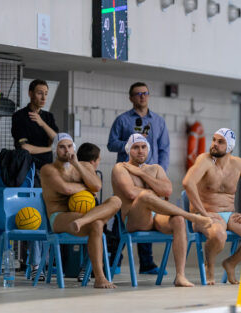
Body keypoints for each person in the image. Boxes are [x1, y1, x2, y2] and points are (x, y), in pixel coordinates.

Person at [111, 134, 212, 287]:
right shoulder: (120, 168)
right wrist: (152, 192)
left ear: (148, 149)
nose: (140, 151)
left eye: (143, 147)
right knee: (144, 196)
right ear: (128, 150)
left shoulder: (156, 168)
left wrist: (141, 173)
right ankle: (191, 216)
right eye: (135, 147)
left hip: (156, 218)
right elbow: (131, 193)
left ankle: (180, 276)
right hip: (134, 220)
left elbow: (167, 191)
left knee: (178, 220)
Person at [182, 128, 241, 285]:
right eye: (214, 140)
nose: (214, 144)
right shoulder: (204, 160)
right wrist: (203, 213)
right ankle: (209, 266)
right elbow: (187, 183)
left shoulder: (237, 164)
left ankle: (231, 263)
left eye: (220, 142)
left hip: (229, 215)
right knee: (219, 235)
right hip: (205, 214)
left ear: (229, 147)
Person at [41, 133, 121, 288]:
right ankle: (100, 278)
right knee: (97, 224)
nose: (66, 150)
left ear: (74, 148)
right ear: (55, 150)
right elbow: (66, 189)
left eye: (69, 146)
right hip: (59, 217)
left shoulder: (84, 166)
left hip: (81, 218)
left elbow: (97, 186)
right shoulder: (48, 169)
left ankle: (84, 221)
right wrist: (86, 187)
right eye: (62, 147)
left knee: (116, 200)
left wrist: (77, 164)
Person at [107, 82, 169, 274]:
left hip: (151, 175)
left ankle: (147, 263)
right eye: (137, 94)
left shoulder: (158, 121)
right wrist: (132, 142)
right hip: (128, 173)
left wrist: (160, 175)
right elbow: (111, 144)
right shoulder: (123, 120)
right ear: (131, 97)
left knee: (149, 216)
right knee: (122, 218)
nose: (142, 96)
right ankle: (115, 260)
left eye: (145, 93)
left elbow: (163, 149)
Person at [11, 79, 59, 281]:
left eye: (46, 93)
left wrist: (41, 123)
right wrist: (49, 149)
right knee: (34, 217)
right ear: (30, 93)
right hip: (30, 172)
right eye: (39, 93)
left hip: (48, 171)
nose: (43, 97)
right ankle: (35, 262)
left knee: (49, 217)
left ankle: (47, 264)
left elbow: (57, 139)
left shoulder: (47, 116)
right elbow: (25, 148)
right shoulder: (20, 117)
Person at [76, 142, 102, 282]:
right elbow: (96, 187)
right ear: (93, 162)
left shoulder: (69, 169)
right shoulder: (88, 168)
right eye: (98, 160)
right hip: (85, 220)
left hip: (69, 219)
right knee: (97, 230)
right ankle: (86, 268)